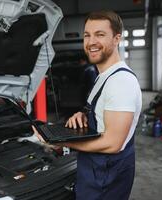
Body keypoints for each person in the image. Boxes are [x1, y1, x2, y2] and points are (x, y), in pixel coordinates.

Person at [33, 10, 142, 200]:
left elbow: (113, 144)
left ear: (117, 39)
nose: (91, 42)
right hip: (96, 170)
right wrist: (83, 114)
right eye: (87, 35)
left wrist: (59, 141)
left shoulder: (121, 82)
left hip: (106, 176)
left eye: (100, 34)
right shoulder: (103, 75)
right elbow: (101, 111)